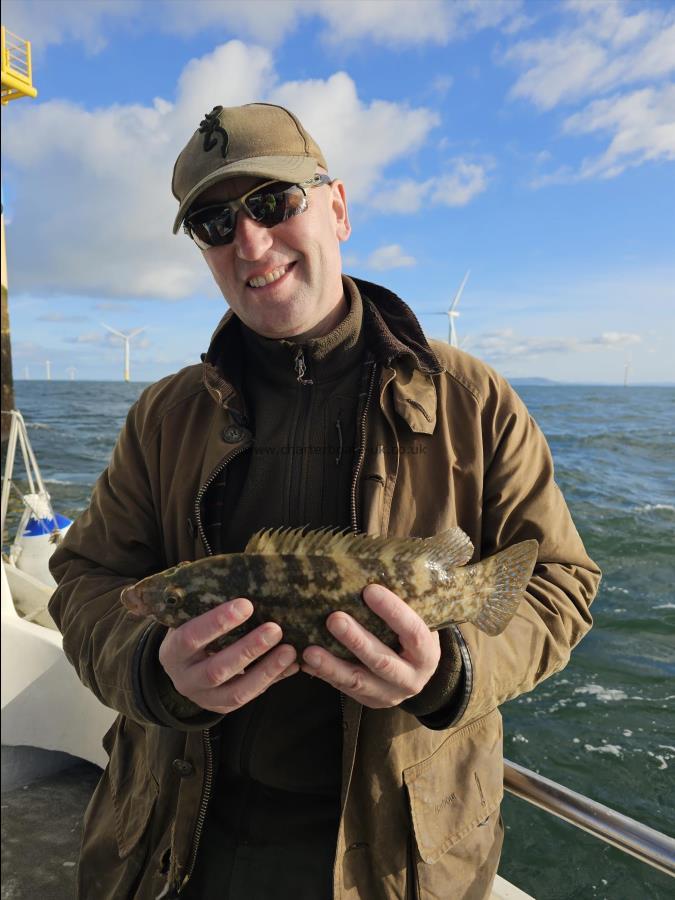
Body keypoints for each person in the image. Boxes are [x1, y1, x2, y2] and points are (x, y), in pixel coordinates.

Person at [49, 102, 601, 900]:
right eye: (213, 223)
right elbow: (87, 580)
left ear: (336, 206)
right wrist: (149, 667)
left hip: (391, 859)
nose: (250, 242)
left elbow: (560, 583)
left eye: (273, 203)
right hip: (181, 839)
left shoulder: (475, 401)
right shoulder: (164, 416)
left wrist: (451, 670)